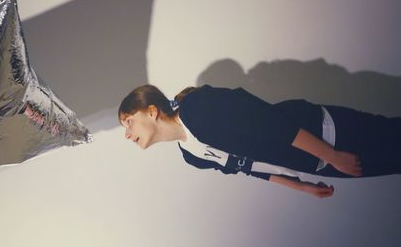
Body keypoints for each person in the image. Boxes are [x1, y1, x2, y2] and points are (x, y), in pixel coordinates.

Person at [118, 84, 401, 198]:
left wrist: (333, 154)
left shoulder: (198, 107)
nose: (127, 134)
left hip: (327, 134)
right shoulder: (190, 155)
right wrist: (299, 185)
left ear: (152, 111)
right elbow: (247, 166)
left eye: (128, 122)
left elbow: (271, 124)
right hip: (318, 162)